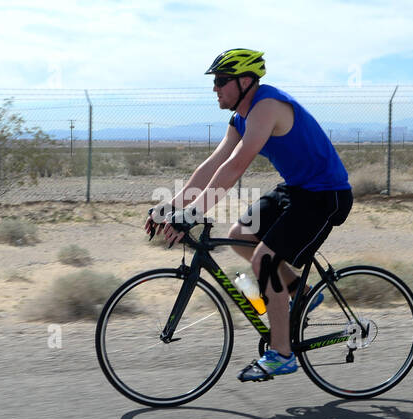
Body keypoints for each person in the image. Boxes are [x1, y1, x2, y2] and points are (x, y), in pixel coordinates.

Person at [145, 49, 353, 382]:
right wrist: (173, 206)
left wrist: (194, 213)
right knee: (240, 235)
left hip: (326, 195)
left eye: (221, 81)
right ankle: (300, 292)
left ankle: (283, 354)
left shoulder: (266, 107)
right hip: (296, 190)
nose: (215, 88)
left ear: (245, 81)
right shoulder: (240, 117)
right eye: (214, 81)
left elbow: (237, 165)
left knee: (264, 260)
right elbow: (212, 166)